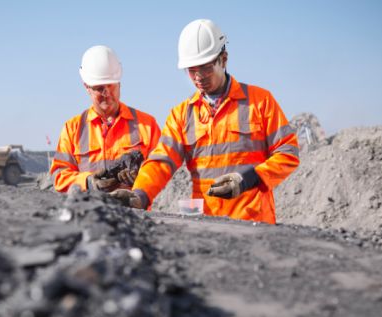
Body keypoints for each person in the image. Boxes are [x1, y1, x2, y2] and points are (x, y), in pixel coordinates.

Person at [111, 19, 300, 224]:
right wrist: (140, 194)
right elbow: (161, 162)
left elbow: (287, 153)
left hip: (255, 223)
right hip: (207, 227)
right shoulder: (182, 114)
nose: (198, 77)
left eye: (205, 68)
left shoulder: (260, 101)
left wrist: (249, 178)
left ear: (223, 59)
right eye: (191, 70)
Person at [50, 45, 161, 193]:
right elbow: (59, 176)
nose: (107, 93)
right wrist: (87, 182)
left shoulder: (147, 125)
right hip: (90, 213)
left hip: (134, 214)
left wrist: (142, 178)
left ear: (119, 83)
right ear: (87, 87)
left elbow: (164, 171)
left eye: (111, 85)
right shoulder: (72, 129)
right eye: (99, 87)